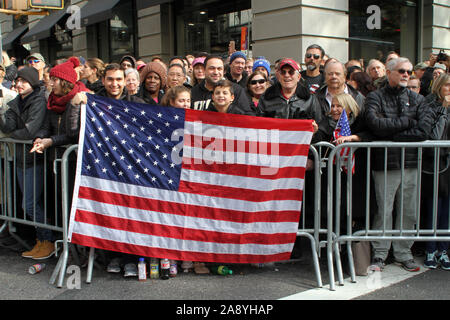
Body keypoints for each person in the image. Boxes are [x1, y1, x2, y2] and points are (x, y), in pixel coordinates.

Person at [365, 57, 428, 272]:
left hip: (411, 162)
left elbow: (423, 131)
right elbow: (375, 125)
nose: (406, 75)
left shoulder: (417, 99)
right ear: (390, 72)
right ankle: (380, 254)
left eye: (409, 72)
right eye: (402, 71)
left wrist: (392, 132)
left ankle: (403, 253)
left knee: (408, 211)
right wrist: (407, 123)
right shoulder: (375, 96)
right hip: (385, 163)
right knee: (384, 210)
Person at [0, 67, 49, 259]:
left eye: (23, 81)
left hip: (34, 158)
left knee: (29, 204)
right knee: (27, 204)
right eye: (17, 81)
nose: (18, 85)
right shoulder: (14, 102)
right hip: (21, 158)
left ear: (32, 83)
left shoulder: (38, 101)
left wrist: (13, 135)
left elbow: (29, 131)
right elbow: (8, 126)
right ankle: (41, 240)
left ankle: (47, 241)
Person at [420, 73, 450, 270]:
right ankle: (431, 248)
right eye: (447, 85)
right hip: (436, 163)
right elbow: (435, 135)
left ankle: (444, 249)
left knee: (447, 209)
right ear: (439, 87)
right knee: (434, 207)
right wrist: (444, 110)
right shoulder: (431, 106)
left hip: (448, 162)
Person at [258, 58, 320, 122]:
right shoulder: (266, 98)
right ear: (278, 77)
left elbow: (319, 123)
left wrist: (315, 129)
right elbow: (259, 124)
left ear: (298, 77)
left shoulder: (310, 99)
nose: (287, 75)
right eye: (283, 72)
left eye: (291, 72)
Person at [315, 60, 365, 124]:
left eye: (337, 74)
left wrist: (357, 134)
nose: (334, 77)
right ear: (325, 76)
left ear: (344, 76)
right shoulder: (315, 98)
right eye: (330, 74)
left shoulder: (358, 98)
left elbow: (365, 126)